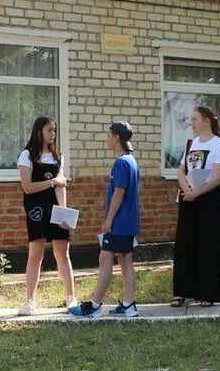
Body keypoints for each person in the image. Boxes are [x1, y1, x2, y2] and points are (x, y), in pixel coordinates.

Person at [70, 122, 141, 318]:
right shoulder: (132, 160)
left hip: (119, 222)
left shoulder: (121, 162)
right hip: (129, 222)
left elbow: (119, 192)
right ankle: (129, 305)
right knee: (125, 259)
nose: (107, 139)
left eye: (109, 135)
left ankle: (94, 306)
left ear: (117, 137)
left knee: (105, 257)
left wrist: (109, 219)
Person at [17, 116, 77, 316]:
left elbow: (62, 187)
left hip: (56, 212)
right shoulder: (27, 156)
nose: (53, 134)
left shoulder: (59, 156)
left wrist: (65, 213)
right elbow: (27, 187)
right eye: (49, 130)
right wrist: (52, 182)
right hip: (36, 211)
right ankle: (30, 301)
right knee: (35, 255)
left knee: (63, 254)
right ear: (39, 132)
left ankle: (70, 298)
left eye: (54, 130)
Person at [171, 105, 220, 308]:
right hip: (188, 198)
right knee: (185, 243)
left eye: (195, 119)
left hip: (208, 199)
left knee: (208, 244)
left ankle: (207, 293)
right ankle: (181, 292)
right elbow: (181, 170)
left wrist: (197, 192)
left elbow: (217, 177)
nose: (192, 123)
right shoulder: (191, 143)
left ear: (207, 121)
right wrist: (187, 189)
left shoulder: (219, 145)